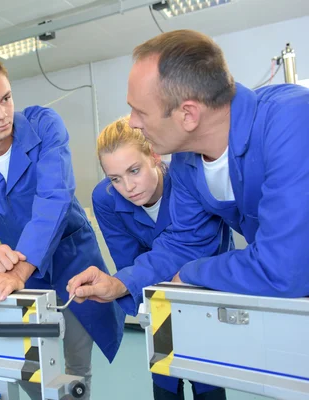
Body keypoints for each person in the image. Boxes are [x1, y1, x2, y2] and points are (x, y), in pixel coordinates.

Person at [68, 29, 309, 324]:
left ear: (188, 115)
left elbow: (284, 268)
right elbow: (184, 244)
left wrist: (193, 273)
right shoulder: (186, 162)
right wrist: (119, 284)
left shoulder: (291, 120)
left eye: (139, 111)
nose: (132, 122)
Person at [0, 51, 125, 399]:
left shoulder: (43, 125)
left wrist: (17, 273)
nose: (2, 114)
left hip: (72, 261)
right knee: (29, 365)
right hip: (20, 272)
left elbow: (53, 201)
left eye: (6, 98)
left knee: (75, 368)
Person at [91, 115, 229, 399]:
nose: (128, 187)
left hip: (203, 284)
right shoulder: (106, 199)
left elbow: (195, 250)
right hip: (153, 291)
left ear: (154, 155)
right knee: (163, 371)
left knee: (206, 375)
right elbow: (127, 259)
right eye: (115, 178)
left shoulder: (188, 183)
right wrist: (135, 288)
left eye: (134, 170)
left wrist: (128, 282)